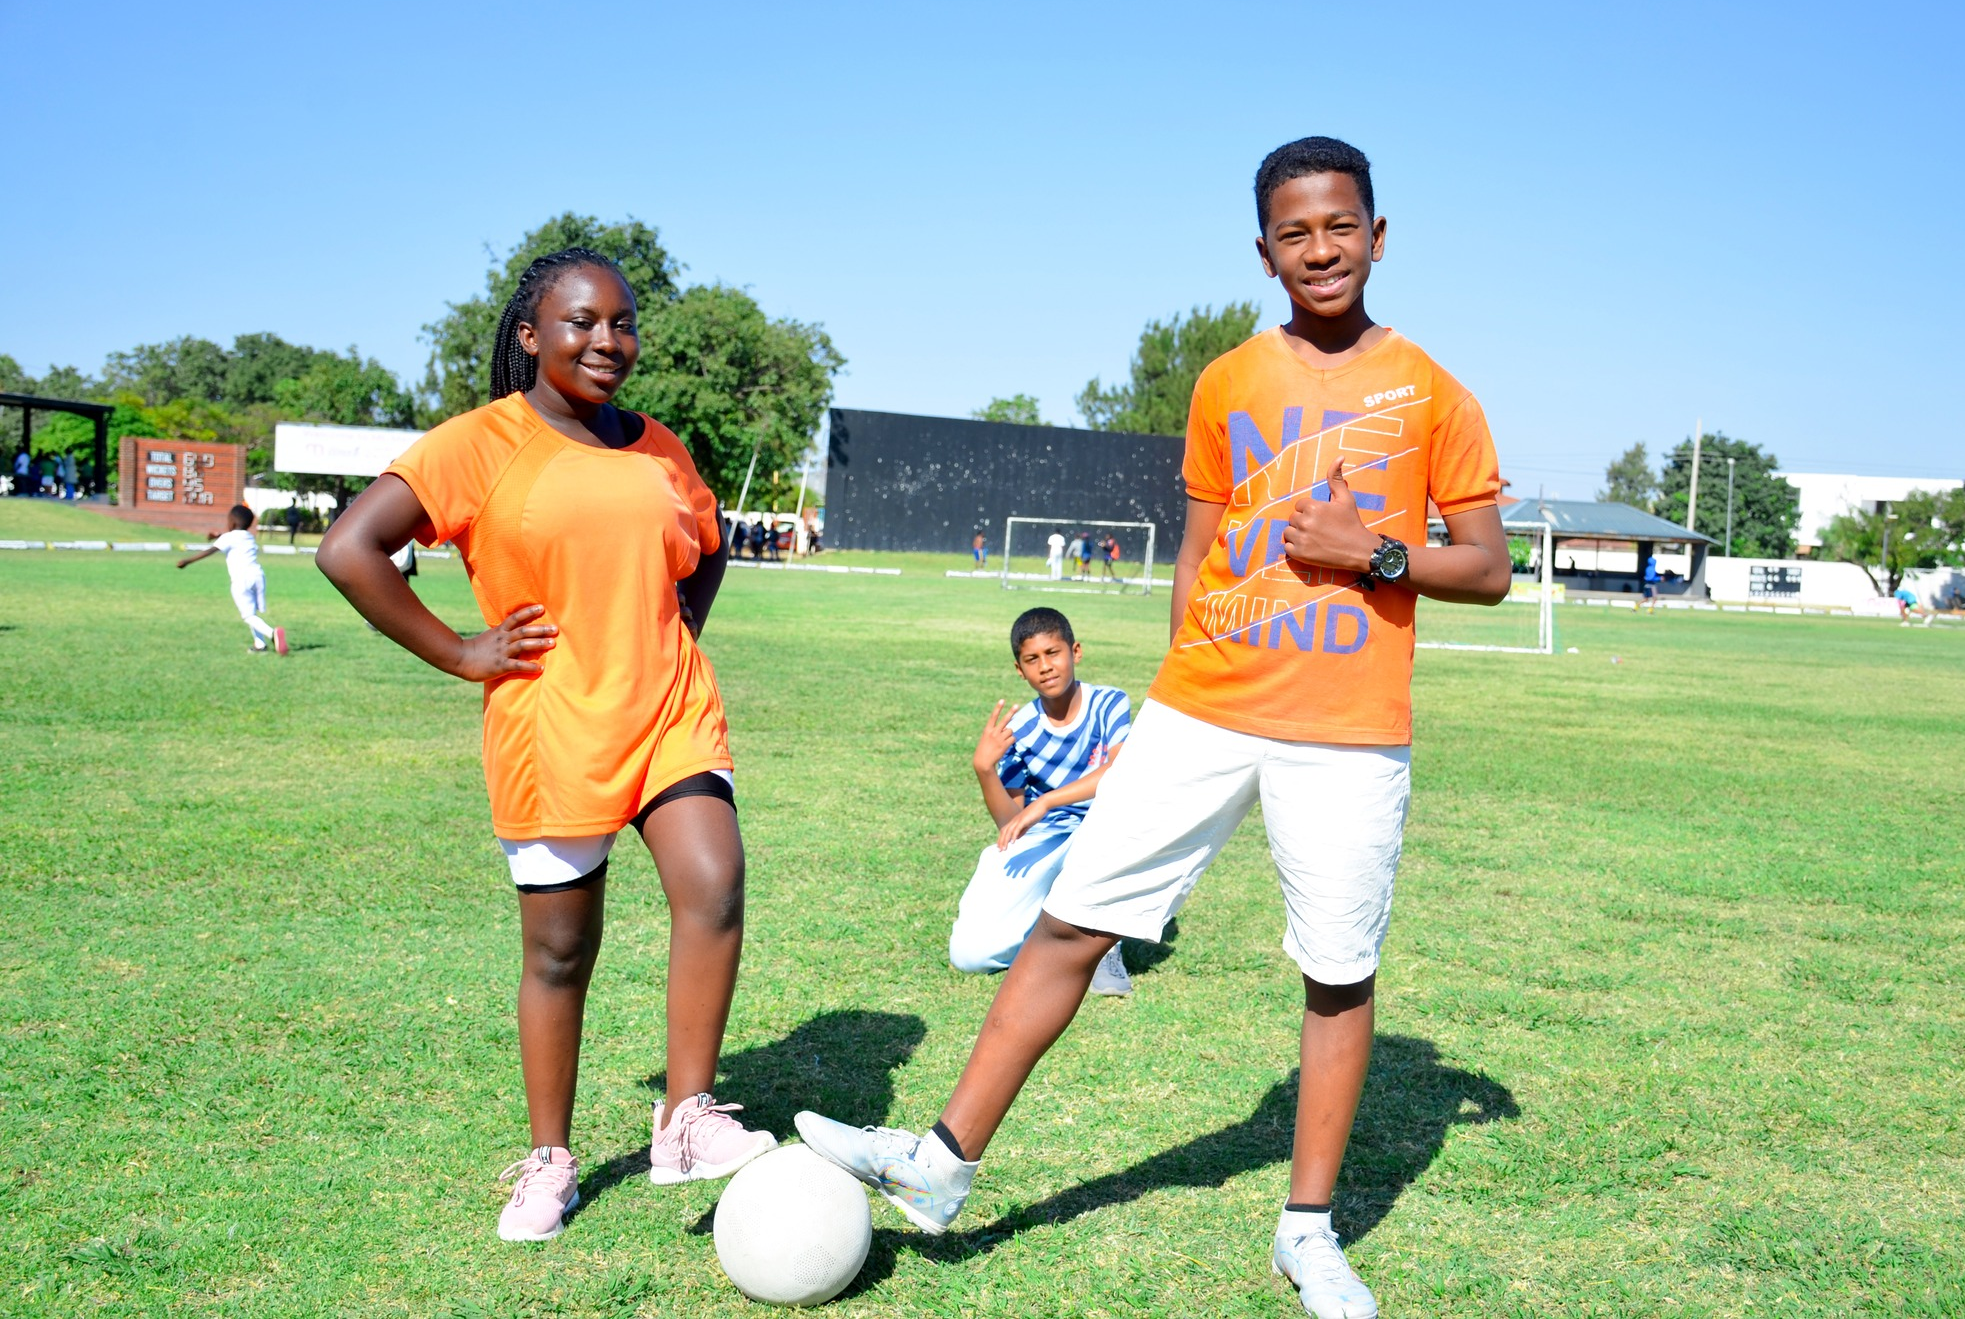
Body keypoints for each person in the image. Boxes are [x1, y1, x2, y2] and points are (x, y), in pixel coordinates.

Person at [794, 136, 1512, 1319]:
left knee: (1335, 978)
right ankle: (940, 1166)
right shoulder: (1227, 381)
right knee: (1072, 923)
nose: (1319, 249)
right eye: (1295, 232)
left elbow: (1483, 567)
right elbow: (1196, 542)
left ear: (1378, 237)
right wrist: (1181, 673)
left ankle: (1306, 1232)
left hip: (1347, 727)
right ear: (1262, 249)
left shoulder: (1436, 392)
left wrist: (1372, 552)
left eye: (1341, 226)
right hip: (1203, 708)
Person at [314, 247, 774, 1245]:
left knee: (715, 881)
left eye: (622, 322)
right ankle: (549, 1160)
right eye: (582, 322)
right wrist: (460, 651)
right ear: (531, 336)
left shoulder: (659, 445)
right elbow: (348, 550)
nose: (608, 341)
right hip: (551, 725)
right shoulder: (479, 444)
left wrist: (676, 624)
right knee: (560, 952)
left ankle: (685, 1121)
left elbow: (710, 540)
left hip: (668, 710)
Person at [950, 608, 1134, 996]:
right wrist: (984, 769)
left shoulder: (1109, 703)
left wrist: (1048, 800)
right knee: (970, 956)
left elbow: (1120, 772)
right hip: (1047, 838)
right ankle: (1050, 936)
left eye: (1054, 653)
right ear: (1020, 670)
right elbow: (1011, 824)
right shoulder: (1019, 730)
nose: (1046, 667)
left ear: (1076, 651)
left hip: (1105, 830)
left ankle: (1104, 946)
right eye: (1032, 660)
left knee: (1101, 840)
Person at [177, 504, 289, 655]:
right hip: (258, 576)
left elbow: (211, 550)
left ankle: (272, 634)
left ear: (233, 522)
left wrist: (187, 561)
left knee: (248, 616)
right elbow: (233, 538)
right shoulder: (249, 536)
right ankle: (260, 644)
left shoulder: (228, 537)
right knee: (252, 614)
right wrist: (218, 536)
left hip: (241, 579)